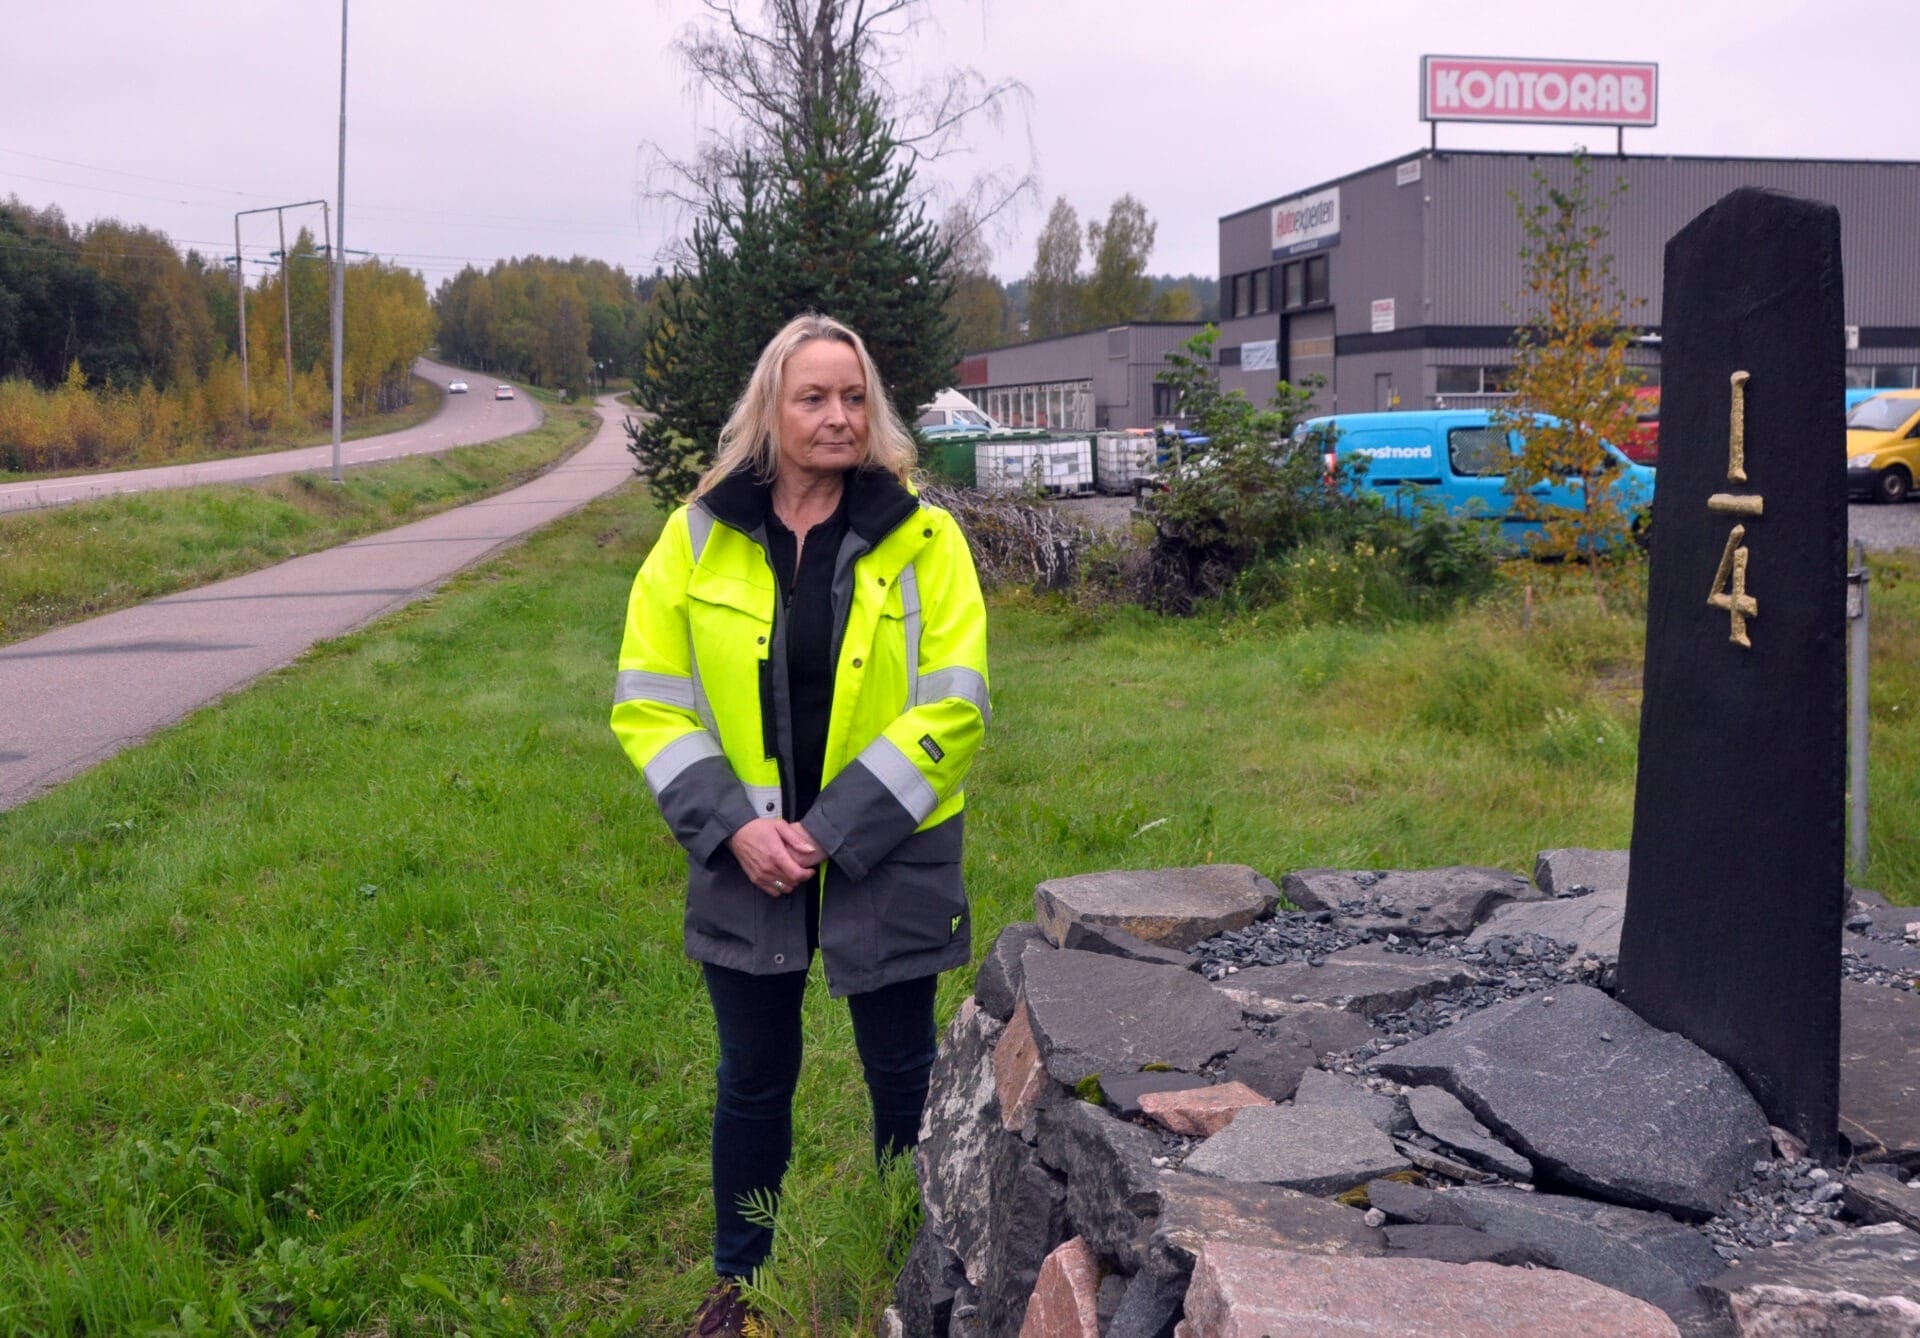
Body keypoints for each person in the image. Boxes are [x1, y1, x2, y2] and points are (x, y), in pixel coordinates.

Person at [610, 313, 990, 1336]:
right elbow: (649, 701)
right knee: (753, 1078)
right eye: (813, 397)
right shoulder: (695, 536)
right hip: (746, 852)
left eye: (854, 397)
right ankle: (742, 1285)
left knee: (902, 1077)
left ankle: (904, 1271)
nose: (837, 417)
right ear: (770, 412)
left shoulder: (925, 538)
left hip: (889, 847)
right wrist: (736, 827)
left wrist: (829, 830)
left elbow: (955, 704)